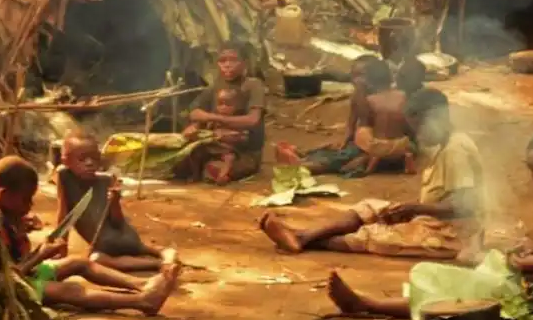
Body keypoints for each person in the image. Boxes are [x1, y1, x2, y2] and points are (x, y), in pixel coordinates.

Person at [321, 129, 533, 320]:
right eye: (532, 169)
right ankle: (372, 303)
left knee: (459, 292)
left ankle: (367, 304)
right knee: (474, 271)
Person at [260, 88, 481, 261]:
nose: (418, 135)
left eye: (420, 127)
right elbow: (441, 196)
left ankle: (303, 238)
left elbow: (464, 206)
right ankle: (306, 235)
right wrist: (410, 209)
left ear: (437, 118)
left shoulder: (456, 150)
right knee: (367, 208)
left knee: (378, 237)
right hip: (432, 218)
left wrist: (414, 209)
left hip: (452, 235)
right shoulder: (446, 144)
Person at [0, 155, 180, 314]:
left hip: (26, 272)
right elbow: (7, 278)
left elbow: (16, 254)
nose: (29, 206)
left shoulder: (6, 212)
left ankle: (142, 284)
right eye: (26, 200)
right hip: (12, 288)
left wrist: (23, 225)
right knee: (70, 291)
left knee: (79, 263)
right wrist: (41, 255)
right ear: (4, 193)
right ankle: (143, 301)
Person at [280, 57, 414, 177]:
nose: (354, 79)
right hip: (387, 144)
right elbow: (352, 126)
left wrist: (361, 152)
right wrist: (343, 142)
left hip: (373, 148)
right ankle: (306, 155)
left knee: (339, 159)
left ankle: (304, 165)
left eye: (359, 75)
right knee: (337, 149)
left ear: (372, 78)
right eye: (353, 74)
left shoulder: (369, 99)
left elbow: (367, 132)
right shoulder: (397, 95)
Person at [55, 131, 165, 273]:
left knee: (100, 258)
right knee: (97, 258)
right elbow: (63, 215)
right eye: (82, 159)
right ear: (66, 161)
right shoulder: (64, 176)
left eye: (94, 158)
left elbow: (118, 222)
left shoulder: (106, 181)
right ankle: (156, 262)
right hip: (103, 246)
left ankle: (158, 259)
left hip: (122, 238)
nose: (89, 163)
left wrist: (114, 202)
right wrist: (62, 248)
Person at [179, 42, 266, 183]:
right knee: (178, 165)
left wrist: (211, 117)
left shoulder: (253, 85)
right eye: (222, 61)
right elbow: (194, 111)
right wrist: (195, 125)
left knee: (214, 170)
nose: (227, 65)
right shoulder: (216, 86)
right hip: (214, 143)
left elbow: (253, 120)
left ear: (244, 63)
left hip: (243, 152)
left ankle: (210, 169)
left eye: (233, 60)